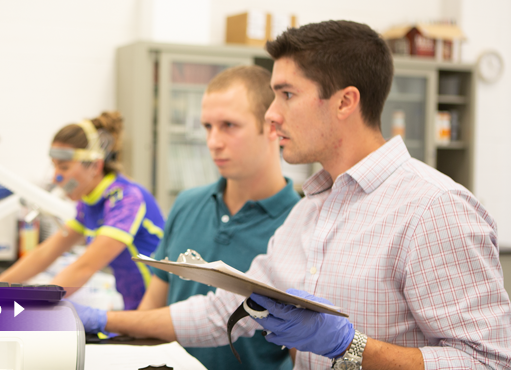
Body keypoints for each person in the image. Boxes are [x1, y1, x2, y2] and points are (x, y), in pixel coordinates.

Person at [74, 21, 511, 369]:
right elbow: (223, 311)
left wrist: (349, 347)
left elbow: (488, 361)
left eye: (286, 94)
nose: (271, 114)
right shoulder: (312, 207)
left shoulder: (433, 208)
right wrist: (96, 319)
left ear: (344, 102)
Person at [137, 65, 301, 369]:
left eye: (228, 125)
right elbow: (149, 312)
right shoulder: (187, 204)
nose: (213, 141)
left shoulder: (300, 223)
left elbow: (303, 356)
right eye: (207, 127)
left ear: (271, 127)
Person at [0, 111, 165, 310]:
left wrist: (33, 307)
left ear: (95, 165)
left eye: (64, 167)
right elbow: (45, 253)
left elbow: (84, 267)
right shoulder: (89, 203)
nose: (55, 177)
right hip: (132, 306)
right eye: (54, 167)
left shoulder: (126, 199)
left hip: (155, 309)